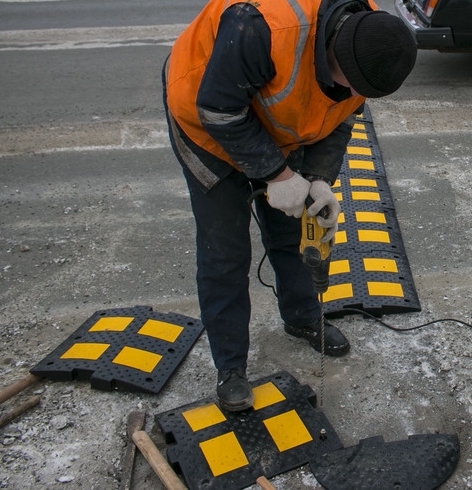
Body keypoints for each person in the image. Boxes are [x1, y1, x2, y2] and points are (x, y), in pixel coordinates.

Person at [162, 0, 417, 411]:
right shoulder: (261, 27)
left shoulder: (368, 41)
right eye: (353, 86)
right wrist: (277, 176)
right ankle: (230, 366)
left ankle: (302, 316)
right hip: (206, 116)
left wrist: (316, 180)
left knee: (291, 228)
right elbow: (219, 110)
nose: (356, 96)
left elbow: (341, 115)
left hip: (277, 117)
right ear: (335, 53)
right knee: (224, 250)